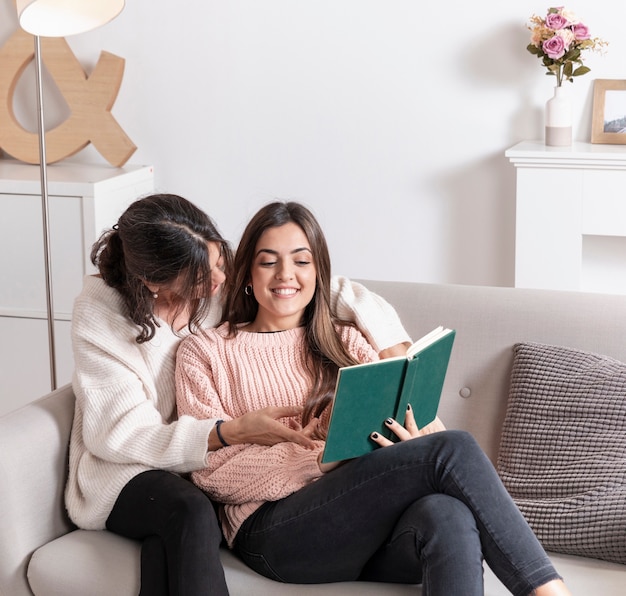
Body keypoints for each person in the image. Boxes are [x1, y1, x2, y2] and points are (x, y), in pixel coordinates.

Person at [175, 201, 573, 596]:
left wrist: (414, 441)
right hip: (275, 531)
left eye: (301, 261)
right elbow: (209, 471)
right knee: (455, 448)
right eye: (268, 262)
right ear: (247, 271)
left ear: (318, 273)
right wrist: (318, 460)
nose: (286, 275)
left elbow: (424, 433)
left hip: (365, 527)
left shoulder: (345, 338)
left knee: (446, 514)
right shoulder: (206, 350)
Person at [65, 193, 414, 596]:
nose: (217, 281)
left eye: (218, 260)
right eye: (200, 275)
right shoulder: (100, 316)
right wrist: (227, 432)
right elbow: (119, 436)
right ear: (154, 283)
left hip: (204, 466)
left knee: (167, 549)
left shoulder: (215, 278)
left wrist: (394, 350)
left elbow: (323, 285)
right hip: (128, 468)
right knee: (190, 512)